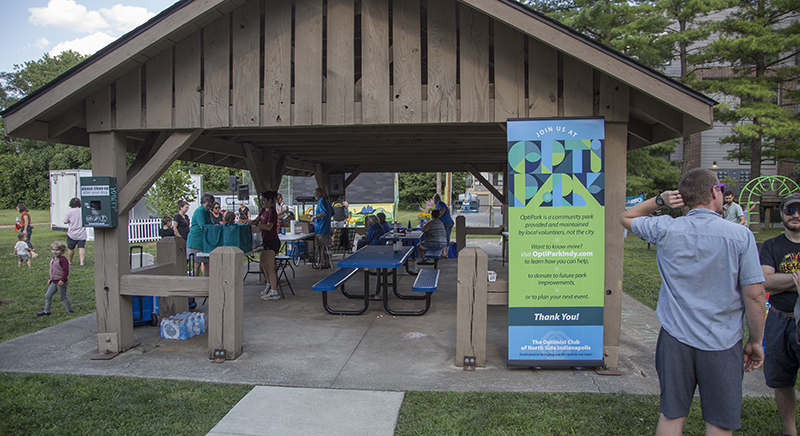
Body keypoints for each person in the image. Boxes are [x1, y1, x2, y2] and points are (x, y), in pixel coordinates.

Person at [620, 168, 765, 436]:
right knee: (719, 423)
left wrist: (660, 200)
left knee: (672, 415)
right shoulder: (740, 236)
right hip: (724, 340)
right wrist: (755, 342)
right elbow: (755, 296)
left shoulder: (665, 228)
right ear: (714, 192)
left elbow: (627, 217)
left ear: (684, 197)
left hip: (675, 337)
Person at [760, 192, 800, 436]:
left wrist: (781, 280)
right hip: (778, 319)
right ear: (782, 214)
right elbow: (765, 281)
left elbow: (774, 280)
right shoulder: (772, 245)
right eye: (790, 210)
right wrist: (796, 281)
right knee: (781, 380)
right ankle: (790, 431)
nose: (796, 215)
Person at [251, 191, 281, 301]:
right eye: (261, 201)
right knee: (263, 264)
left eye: (264, 200)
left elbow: (268, 227)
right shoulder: (263, 210)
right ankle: (268, 284)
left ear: (270, 201)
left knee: (270, 266)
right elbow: (257, 219)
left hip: (272, 241)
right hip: (265, 241)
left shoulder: (272, 212)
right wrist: (251, 222)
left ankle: (274, 291)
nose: (262, 203)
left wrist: (256, 224)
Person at [36, 241, 73, 316]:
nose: (55, 252)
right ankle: (46, 311)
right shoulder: (53, 259)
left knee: (63, 296)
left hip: (60, 282)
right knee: (48, 295)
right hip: (54, 281)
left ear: (62, 251)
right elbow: (53, 270)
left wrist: (62, 280)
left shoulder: (62, 259)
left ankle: (69, 309)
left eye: (57, 250)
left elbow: (66, 270)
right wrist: (50, 278)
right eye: (53, 250)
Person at [312, 187, 333, 269]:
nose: (314, 195)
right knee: (326, 247)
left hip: (321, 229)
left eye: (315, 193)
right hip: (327, 228)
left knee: (321, 247)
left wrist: (315, 217)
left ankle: (323, 263)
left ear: (319, 194)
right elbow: (331, 213)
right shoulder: (327, 201)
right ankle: (326, 262)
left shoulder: (321, 202)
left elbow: (324, 213)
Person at [63, 197, 86, 267]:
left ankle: (69, 262)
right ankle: (81, 262)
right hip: (82, 233)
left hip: (72, 233)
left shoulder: (69, 212)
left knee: (70, 248)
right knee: (81, 247)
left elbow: (65, 221)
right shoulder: (83, 210)